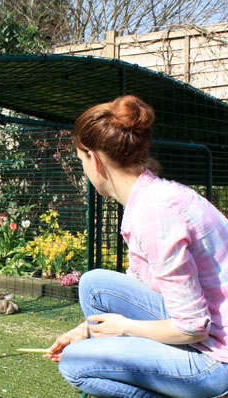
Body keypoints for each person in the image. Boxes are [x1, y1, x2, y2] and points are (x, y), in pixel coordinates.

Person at [44, 95, 228, 398]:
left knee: (75, 364)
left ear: (96, 160)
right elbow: (139, 285)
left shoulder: (156, 214)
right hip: (209, 338)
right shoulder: (156, 197)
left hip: (217, 363)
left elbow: (193, 327)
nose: (84, 172)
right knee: (94, 285)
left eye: (81, 161)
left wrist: (125, 328)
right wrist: (85, 331)